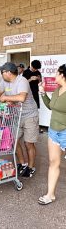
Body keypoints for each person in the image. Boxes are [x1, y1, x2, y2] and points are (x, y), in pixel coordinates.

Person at [0, 62, 39, 178]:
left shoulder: (22, 81)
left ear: (9, 73)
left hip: (30, 115)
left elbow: (21, 97)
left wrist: (6, 98)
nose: (1, 74)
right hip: (16, 114)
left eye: (2, 72)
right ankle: (22, 163)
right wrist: (5, 99)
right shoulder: (4, 81)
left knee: (28, 143)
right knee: (14, 140)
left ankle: (30, 167)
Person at [38, 64, 66, 205]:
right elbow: (50, 106)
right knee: (53, 163)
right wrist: (42, 92)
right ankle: (50, 195)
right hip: (54, 131)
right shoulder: (57, 90)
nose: (54, 75)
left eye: (56, 73)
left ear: (63, 75)